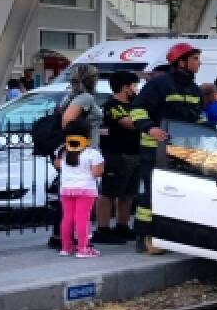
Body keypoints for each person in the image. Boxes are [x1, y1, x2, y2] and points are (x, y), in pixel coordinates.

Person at [131, 43, 206, 254]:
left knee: (176, 195)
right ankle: (144, 236)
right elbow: (137, 110)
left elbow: (199, 119)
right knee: (151, 194)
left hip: (182, 151)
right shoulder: (159, 85)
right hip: (154, 150)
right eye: (195, 59)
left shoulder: (195, 90)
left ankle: (169, 235)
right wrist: (150, 128)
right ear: (181, 62)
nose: (199, 63)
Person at [96, 71, 141, 245]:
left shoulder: (134, 104)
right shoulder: (112, 105)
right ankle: (103, 228)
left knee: (128, 193)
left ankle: (122, 225)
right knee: (108, 192)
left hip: (135, 153)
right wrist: (143, 119)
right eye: (134, 85)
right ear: (125, 87)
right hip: (116, 154)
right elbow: (129, 123)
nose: (136, 89)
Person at [53, 119, 105, 258]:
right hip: (86, 190)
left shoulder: (61, 151)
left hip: (66, 189)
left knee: (67, 218)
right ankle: (83, 248)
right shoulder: (92, 153)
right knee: (82, 218)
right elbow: (96, 172)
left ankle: (66, 247)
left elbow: (57, 166)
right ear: (87, 136)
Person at [61, 65, 103, 146]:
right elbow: (67, 122)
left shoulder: (71, 96)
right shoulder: (85, 98)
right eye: (95, 77)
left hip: (80, 149)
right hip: (85, 149)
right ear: (91, 80)